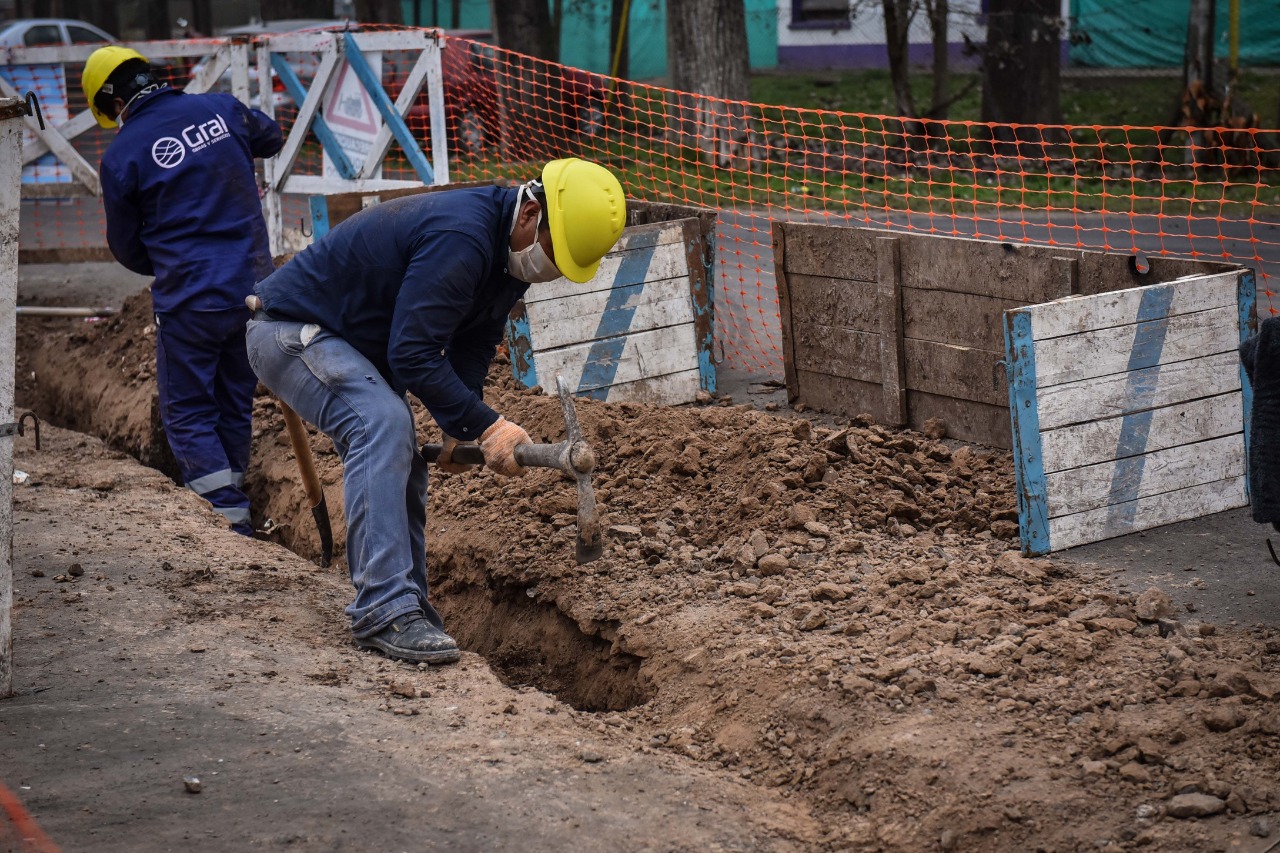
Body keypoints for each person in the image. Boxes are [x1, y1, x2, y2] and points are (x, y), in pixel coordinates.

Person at [244, 158, 626, 664]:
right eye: (558, 254)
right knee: (382, 423)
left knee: (401, 446)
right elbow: (412, 353)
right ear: (532, 212)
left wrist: (457, 430)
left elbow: (474, 339)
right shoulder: (462, 237)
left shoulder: (509, 252)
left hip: (348, 343)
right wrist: (486, 426)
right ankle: (383, 608)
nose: (554, 270)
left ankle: (410, 606)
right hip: (290, 333)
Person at [82, 46, 284, 535]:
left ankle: (228, 521)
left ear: (112, 99)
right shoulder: (221, 109)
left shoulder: (124, 154)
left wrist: (175, 260)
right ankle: (236, 506)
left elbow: (127, 248)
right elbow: (272, 136)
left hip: (191, 301)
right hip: (254, 290)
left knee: (190, 410)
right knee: (234, 399)